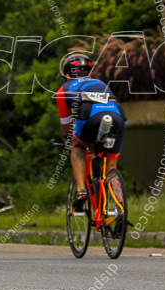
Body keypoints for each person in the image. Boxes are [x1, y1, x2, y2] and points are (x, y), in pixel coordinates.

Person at [54, 53, 126, 212]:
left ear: (67, 75)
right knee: (111, 164)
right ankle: (119, 208)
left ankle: (81, 191)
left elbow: (66, 124)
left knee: (76, 146)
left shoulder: (63, 90)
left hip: (91, 115)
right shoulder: (99, 82)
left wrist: (67, 139)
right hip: (118, 115)